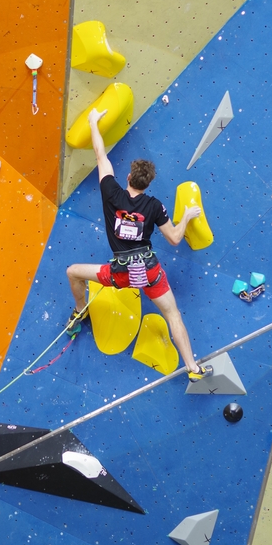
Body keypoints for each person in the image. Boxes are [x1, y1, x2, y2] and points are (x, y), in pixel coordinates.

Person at [66, 108, 213, 383]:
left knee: (73, 272)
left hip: (120, 273)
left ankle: (80, 310)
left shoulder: (111, 192)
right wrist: (186, 217)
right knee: (173, 315)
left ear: (128, 178)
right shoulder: (154, 206)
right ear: (148, 184)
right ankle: (193, 368)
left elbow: (100, 154)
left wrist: (93, 122)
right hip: (149, 272)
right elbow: (175, 238)